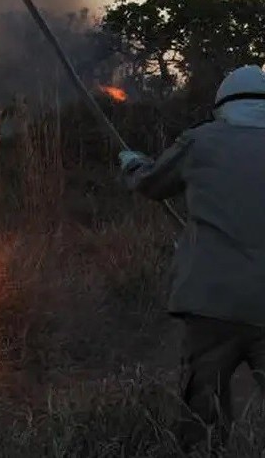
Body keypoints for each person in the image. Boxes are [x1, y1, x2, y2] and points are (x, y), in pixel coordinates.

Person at [119, 65, 265, 453]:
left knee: (202, 417)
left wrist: (132, 163)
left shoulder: (199, 142)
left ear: (222, 106)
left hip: (210, 304)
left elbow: (151, 183)